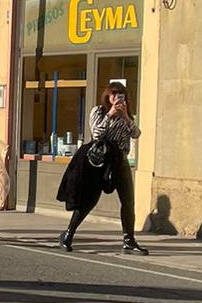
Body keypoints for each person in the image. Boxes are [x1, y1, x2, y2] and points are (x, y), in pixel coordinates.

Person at [58, 80, 147, 254]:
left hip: (119, 159)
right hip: (99, 161)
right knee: (89, 200)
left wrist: (126, 117)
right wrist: (111, 114)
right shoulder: (98, 111)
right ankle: (68, 233)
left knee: (128, 201)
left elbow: (136, 134)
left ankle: (129, 240)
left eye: (120, 95)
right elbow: (97, 133)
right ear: (108, 96)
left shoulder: (126, 115)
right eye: (113, 94)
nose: (117, 98)